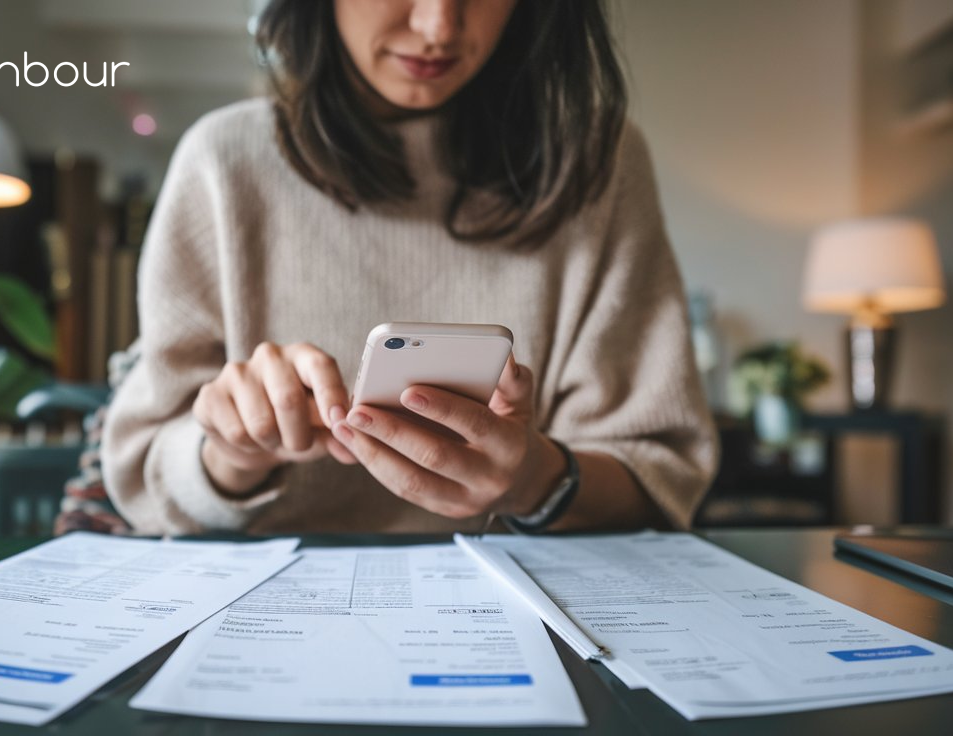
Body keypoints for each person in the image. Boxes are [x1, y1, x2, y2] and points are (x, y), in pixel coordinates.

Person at [100, 0, 717, 535]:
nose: (438, 27)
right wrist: (235, 455)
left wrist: (534, 478)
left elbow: (662, 477)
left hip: (533, 612)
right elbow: (142, 479)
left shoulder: (600, 164)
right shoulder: (223, 162)